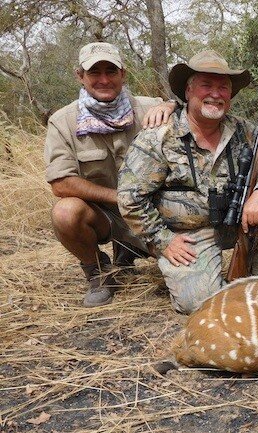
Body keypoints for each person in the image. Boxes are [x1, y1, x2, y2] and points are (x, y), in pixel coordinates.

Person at [118, 49, 258, 314]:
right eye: (206, 85)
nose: (215, 93)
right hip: (188, 236)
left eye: (223, 87)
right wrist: (163, 240)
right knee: (202, 306)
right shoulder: (159, 137)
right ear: (188, 92)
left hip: (236, 223)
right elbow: (129, 197)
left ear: (230, 94)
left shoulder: (244, 131)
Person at [45, 42, 176, 307]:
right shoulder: (63, 121)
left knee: (184, 277)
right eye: (94, 73)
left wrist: (172, 104)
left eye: (111, 71)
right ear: (80, 76)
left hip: (153, 213)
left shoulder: (150, 107)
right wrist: (121, 198)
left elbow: (192, 112)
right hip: (107, 214)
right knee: (65, 213)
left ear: (123, 74)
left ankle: (128, 250)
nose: (104, 79)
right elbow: (60, 183)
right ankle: (98, 271)